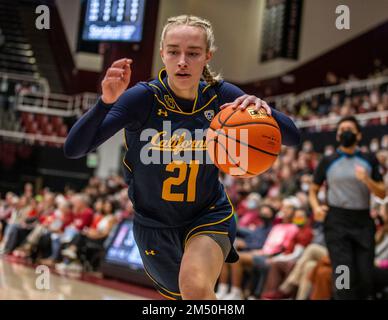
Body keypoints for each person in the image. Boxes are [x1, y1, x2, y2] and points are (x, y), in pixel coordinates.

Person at [64, 15, 300, 300]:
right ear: (162, 53)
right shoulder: (142, 98)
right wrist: (105, 102)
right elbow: (74, 148)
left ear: (207, 56)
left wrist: (265, 111)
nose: (182, 61)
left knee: (195, 289)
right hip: (153, 224)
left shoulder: (222, 96)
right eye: (174, 51)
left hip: (207, 214)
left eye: (193, 53)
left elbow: (293, 138)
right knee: (183, 297)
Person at [309, 115, 386, 299]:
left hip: (363, 222)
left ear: (359, 135)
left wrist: (367, 180)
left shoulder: (369, 159)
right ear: (337, 136)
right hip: (336, 222)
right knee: (343, 272)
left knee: (365, 276)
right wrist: (316, 208)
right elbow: (313, 190)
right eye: (341, 129)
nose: (345, 132)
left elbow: (382, 192)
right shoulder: (327, 160)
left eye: (349, 129)